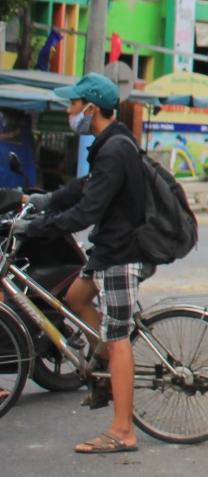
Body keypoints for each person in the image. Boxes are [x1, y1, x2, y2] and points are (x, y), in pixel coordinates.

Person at [22, 72, 149, 454]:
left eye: (72, 104)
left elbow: (88, 210)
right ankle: (107, 371)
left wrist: (39, 228)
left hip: (121, 252)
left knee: (117, 337)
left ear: (90, 108)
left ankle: (123, 430)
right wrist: (46, 200)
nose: (68, 111)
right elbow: (84, 189)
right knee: (76, 300)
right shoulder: (110, 143)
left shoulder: (115, 149)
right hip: (106, 250)